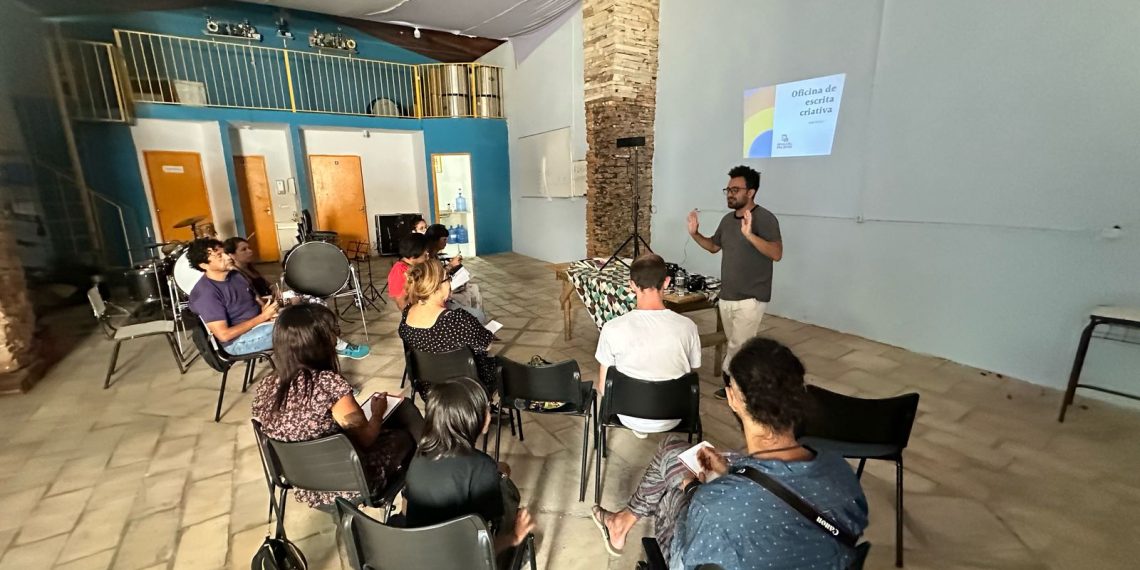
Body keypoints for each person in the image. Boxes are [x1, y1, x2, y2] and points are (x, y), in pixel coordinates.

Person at [590, 337, 868, 568]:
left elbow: (684, 563)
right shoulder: (841, 473)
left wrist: (691, 489)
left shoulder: (714, 506)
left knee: (670, 481)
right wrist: (732, 474)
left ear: (733, 398)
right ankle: (621, 521)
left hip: (708, 520)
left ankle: (621, 523)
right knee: (670, 452)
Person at [251, 304, 418, 508]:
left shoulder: (266, 386)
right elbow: (366, 439)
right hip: (353, 482)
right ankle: (421, 494)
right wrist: (376, 413)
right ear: (318, 342)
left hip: (303, 481)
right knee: (404, 424)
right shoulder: (328, 384)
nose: (336, 339)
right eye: (334, 333)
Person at [404, 377, 535, 565]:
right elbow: (481, 545)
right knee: (509, 496)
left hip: (414, 557)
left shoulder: (419, 454)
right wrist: (514, 537)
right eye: (487, 409)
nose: (490, 414)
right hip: (461, 562)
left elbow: (406, 508)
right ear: (471, 417)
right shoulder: (483, 467)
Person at [687, 165, 782, 400]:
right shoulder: (727, 220)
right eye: (728, 189)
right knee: (737, 344)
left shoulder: (765, 218)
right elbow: (713, 246)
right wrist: (695, 234)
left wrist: (750, 235)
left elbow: (776, 253)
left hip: (752, 296)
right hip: (727, 295)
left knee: (738, 346)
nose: (730, 193)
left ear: (751, 192)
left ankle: (736, 390)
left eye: (735, 189)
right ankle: (743, 384)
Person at [186, 238, 370, 359]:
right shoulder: (206, 294)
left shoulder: (235, 275)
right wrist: (264, 317)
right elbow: (224, 335)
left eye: (225, 252)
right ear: (204, 265)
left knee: (311, 310)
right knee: (305, 330)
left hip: (260, 323)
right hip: (239, 341)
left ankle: (333, 357)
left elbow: (255, 300)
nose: (227, 257)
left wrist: (277, 307)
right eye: (219, 256)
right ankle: (329, 374)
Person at [595, 253, 701, 438]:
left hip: (627, 413)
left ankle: (642, 423)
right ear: (667, 282)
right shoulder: (688, 327)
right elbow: (691, 371)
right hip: (675, 414)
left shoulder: (611, 328)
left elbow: (604, 388)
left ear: (632, 285)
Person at [398, 259, 497, 398]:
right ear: (437, 286)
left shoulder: (407, 313)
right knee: (499, 366)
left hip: (430, 391)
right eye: (448, 278)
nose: (450, 283)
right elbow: (486, 344)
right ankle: (485, 410)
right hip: (468, 390)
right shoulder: (457, 319)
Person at [425, 223, 484, 317]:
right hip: (437, 290)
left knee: (474, 289)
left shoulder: (434, 254)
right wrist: (451, 265)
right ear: (435, 240)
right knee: (471, 292)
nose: (446, 242)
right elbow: (435, 277)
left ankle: (474, 317)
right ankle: (473, 317)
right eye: (444, 240)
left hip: (444, 285)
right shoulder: (427, 256)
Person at [387, 233, 430, 311]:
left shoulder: (412, 266)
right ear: (413, 256)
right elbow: (401, 304)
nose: (427, 257)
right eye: (425, 254)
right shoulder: (400, 271)